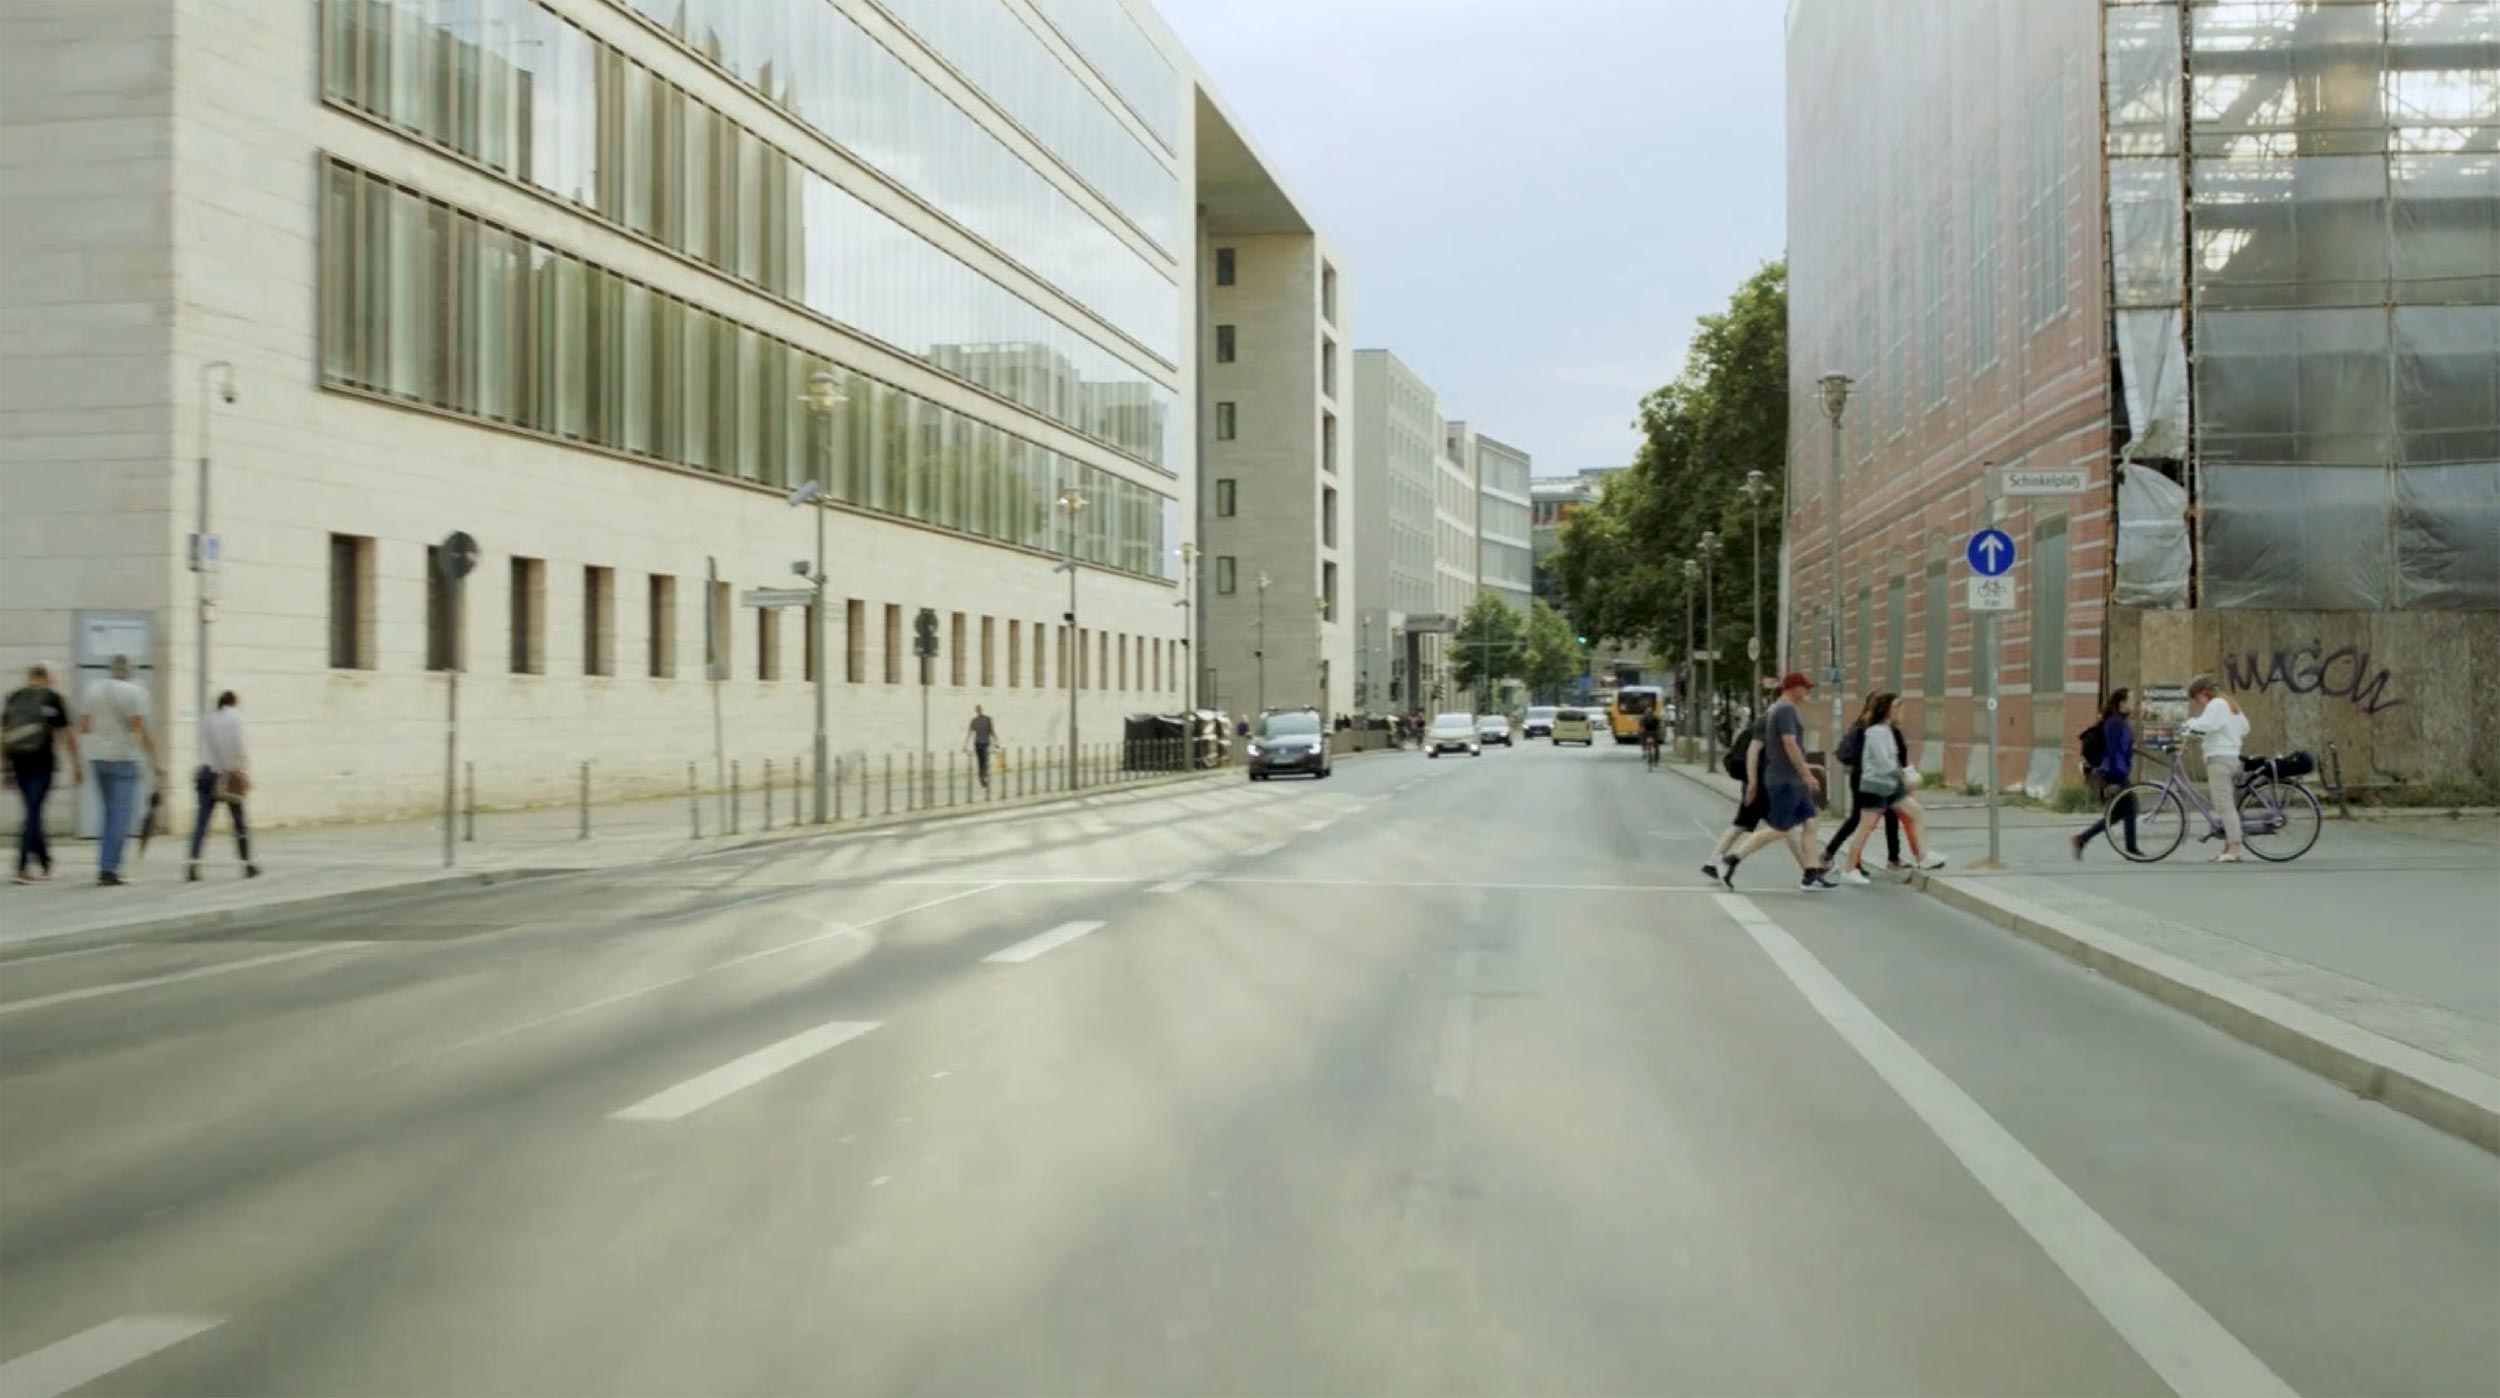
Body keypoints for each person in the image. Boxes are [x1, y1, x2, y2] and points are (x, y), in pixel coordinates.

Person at [1717, 672, 1836, 892]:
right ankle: (1731, 859)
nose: (1807, 692)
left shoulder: (1783, 710)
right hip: (1785, 781)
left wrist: (1805, 770)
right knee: (1780, 829)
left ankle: (1810, 874)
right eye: (1805, 687)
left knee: (1811, 823)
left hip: (1792, 779)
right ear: (1794, 688)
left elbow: (1784, 749)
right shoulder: (1784, 710)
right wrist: (1806, 774)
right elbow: (1789, 744)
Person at [80, 655, 161, 886]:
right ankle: (109, 869)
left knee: (108, 813)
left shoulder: (92, 689)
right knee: (121, 816)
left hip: (98, 757)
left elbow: (85, 726)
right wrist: (154, 760)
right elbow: (139, 728)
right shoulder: (134, 692)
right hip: (124, 758)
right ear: (129, 671)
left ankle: (105, 864)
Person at [3, 664, 80, 883]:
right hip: (42, 763)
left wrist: (5, 769)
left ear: (29, 677)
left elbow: (4, 735)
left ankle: (46, 864)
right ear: (47, 678)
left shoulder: (14, 697)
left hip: (18, 763)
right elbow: (66, 735)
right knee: (33, 812)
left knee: (33, 811)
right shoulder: (53, 699)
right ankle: (21, 867)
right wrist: (77, 765)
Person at [1841, 694, 1930, 880]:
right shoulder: (1876, 732)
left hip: (1889, 785)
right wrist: (1903, 777)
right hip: (1875, 785)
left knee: (1916, 812)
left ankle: (1923, 856)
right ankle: (1849, 869)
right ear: (1887, 710)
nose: (1901, 712)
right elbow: (1883, 762)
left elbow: (1893, 760)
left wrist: (1905, 774)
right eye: (1897, 708)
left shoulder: (1887, 730)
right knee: (1865, 827)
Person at [1818, 693, 1902, 878]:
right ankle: (1888, 860)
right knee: (1869, 818)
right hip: (1872, 779)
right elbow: (1884, 757)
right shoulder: (1874, 727)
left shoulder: (1863, 723)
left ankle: (1832, 853)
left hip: (1863, 776)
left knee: (1865, 817)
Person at [188, 690, 258, 881]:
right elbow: (236, 746)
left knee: (202, 822)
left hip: (205, 773)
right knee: (238, 821)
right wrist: (239, 770)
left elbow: (203, 746)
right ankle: (247, 864)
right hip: (226, 775)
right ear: (233, 703)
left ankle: (193, 863)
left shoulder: (208, 717)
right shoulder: (234, 718)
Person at [2181, 674, 2250, 862]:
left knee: (2225, 806)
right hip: (2231, 757)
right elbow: (2245, 728)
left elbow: (2206, 725)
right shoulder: (2230, 703)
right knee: (2225, 804)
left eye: (2196, 698)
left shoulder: (2216, 705)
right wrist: (2229, 737)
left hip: (2219, 759)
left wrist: (2187, 725)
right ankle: (2228, 847)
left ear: (2203, 693)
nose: (2197, 703)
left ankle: (2233, 849)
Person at [2071, 688, 2140, 859]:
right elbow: (2112, 751)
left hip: (2119, 770)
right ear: (2122, 703)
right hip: (2116, 773)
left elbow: (2122, 748)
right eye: (2131, 699)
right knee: (2130, 810)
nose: (2134, 702)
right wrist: (2114, 777)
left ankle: (2082, 839)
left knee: (2118, 814)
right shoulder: (2115, 722)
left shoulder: (2119, 721)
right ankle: (2131, 849)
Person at [1702, 714, 1769, 882]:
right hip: (1760, 785)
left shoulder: (1757, 726)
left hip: (1755, 783)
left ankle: (1713, 862)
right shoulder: (1767, 726)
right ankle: (1810, 870)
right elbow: (1755, 755)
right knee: (1785, 827)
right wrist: (1753, 783)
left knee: (1740, 825)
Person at [965, 704, 999, 788]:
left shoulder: (988, 719)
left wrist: (996, 741)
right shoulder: (974, 721)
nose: (979, 711)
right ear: (976, 711)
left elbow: (992, 730)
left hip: (986, 743)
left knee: (986, 761)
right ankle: (982, 778)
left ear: (982, 710)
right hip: (978, 743)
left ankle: (984, 776)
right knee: (980, 762)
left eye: (980, 710)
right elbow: (970, 732)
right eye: (977, 710)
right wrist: (965, 744)